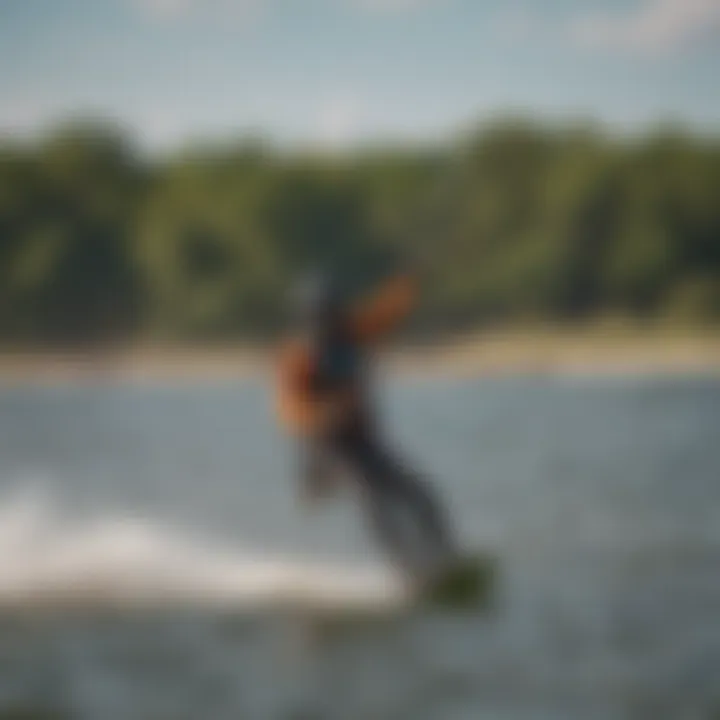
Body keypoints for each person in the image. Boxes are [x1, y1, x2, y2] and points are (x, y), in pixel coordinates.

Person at [275, 268, 456, 584]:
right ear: (308, 317)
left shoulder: (355, 334)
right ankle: (409, 574)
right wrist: (323, 412)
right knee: (374, 503)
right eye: (321, 316)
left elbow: (386, 313)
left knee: (421, 496)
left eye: (332, 313)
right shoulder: (299, 358)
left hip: (364, 444)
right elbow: (290, 411)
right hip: (326, 452)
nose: (328, 322)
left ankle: (448, 561)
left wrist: (407, 286)